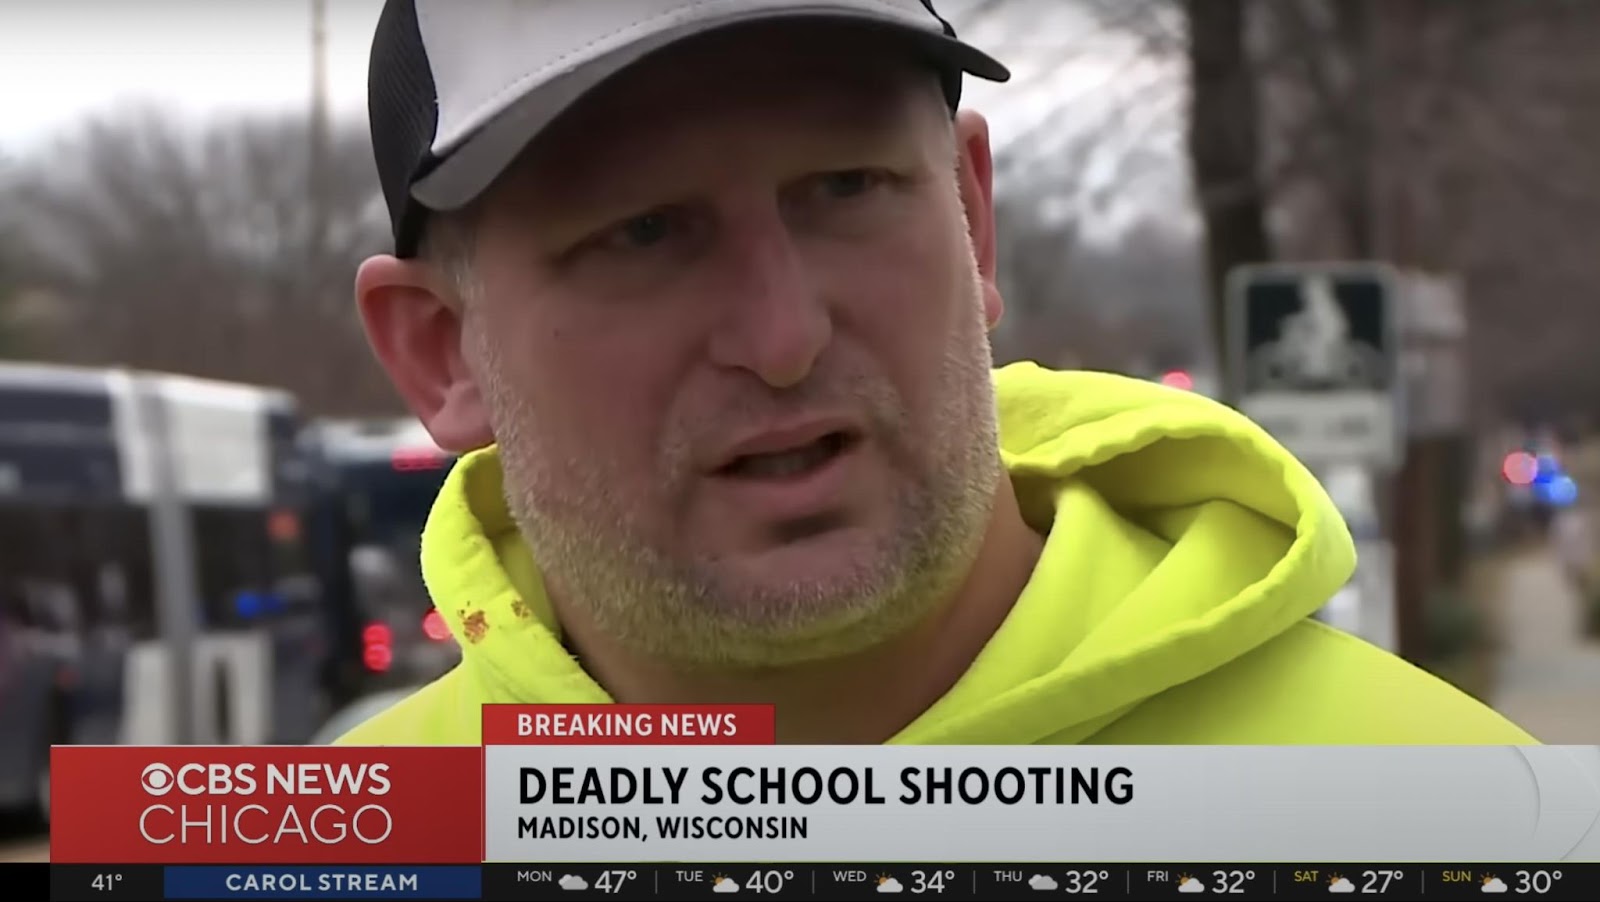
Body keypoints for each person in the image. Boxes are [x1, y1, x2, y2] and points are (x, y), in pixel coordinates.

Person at [340, 0, 1534, 745]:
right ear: (442, 352)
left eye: (845, 189)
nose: (783, 334)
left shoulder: (1430, 801)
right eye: (644, 233)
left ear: (972, 218)